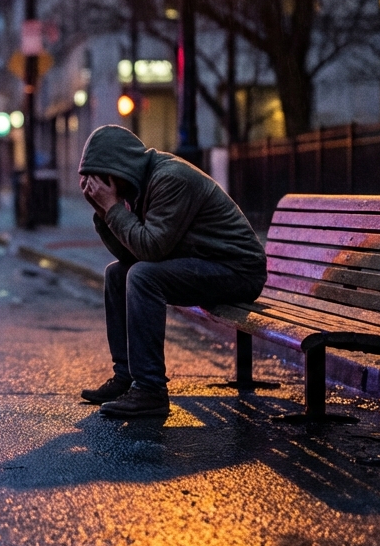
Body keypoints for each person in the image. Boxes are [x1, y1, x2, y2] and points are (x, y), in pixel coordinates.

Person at [76, 126, 267, 419]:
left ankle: (150, 390)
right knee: (118, 274)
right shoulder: (142, 184)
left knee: (142, 276)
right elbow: (132, 254)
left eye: (101, 179)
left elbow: (150, 251)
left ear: (117, 171)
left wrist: (112, 207)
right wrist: (103, 212)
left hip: (237, 270)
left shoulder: (170, 178)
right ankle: (126, 377)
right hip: (204, 263)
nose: (98, 186)